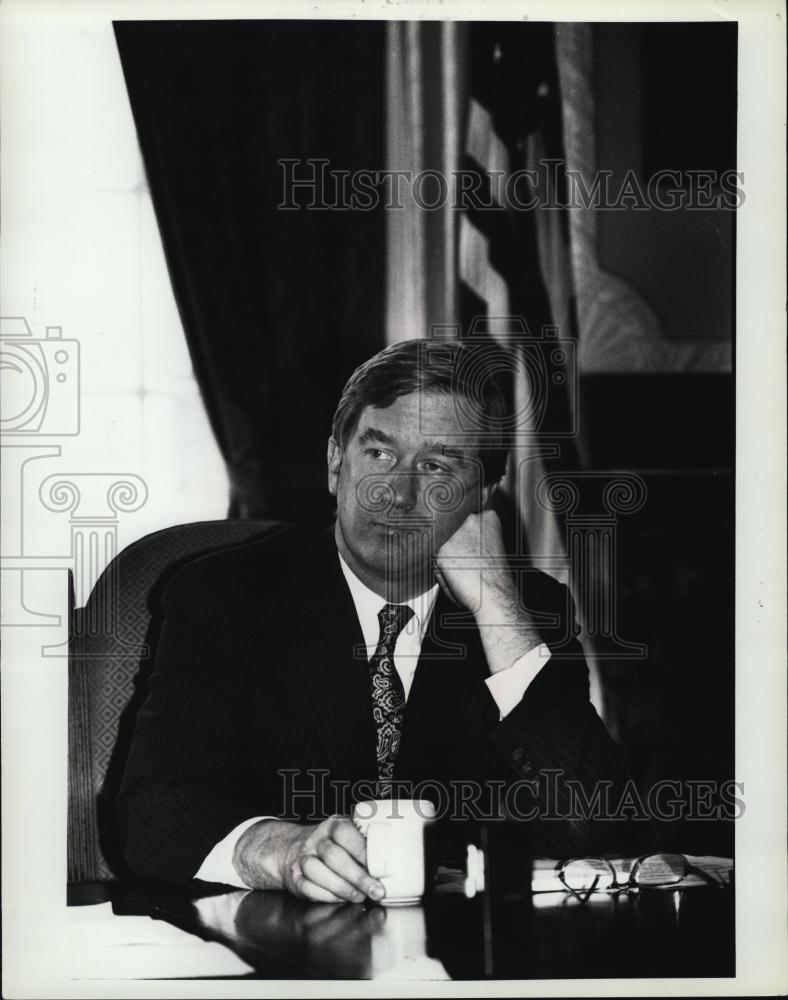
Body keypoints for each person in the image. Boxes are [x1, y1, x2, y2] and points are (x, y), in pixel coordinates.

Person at [117, 338, 630, 903]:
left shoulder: (526, 610)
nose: (397, 493)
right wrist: (278, 850)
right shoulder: (227, 595)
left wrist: (495, 606)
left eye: (435, 465)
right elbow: (154, 808)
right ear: (337, 463)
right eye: (379, 454)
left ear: (483, 494)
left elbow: (592, 826)